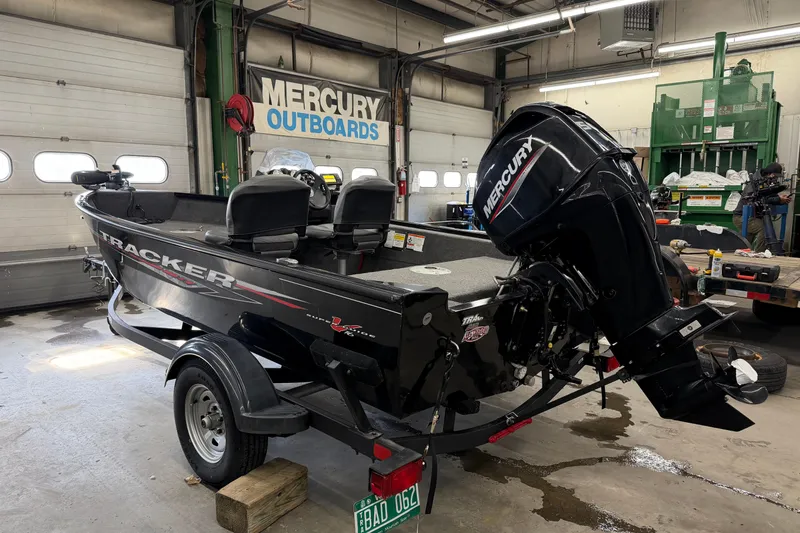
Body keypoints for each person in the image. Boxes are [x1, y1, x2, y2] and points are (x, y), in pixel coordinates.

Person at [732, 162, 791, 252]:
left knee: (746, 241)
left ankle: (742, 252)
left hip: (753, 217)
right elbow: (756, 200)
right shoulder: (753, 185)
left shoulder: (766, 183)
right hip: (741, 217)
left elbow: (769, 197)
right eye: (775, 176)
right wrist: (778, 199)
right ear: (770, 174)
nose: (775, 179)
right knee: (764, 228)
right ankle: (759, 254)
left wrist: (780, 199)